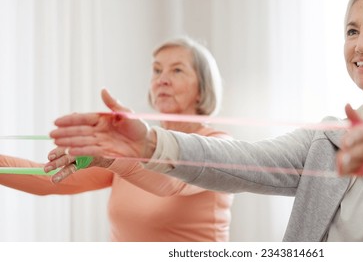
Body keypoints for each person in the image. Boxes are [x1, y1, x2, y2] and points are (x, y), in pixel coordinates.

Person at [49, 0, 363, 242]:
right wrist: (149, 141)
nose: (361, 44)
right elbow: (239, 160)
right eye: (352, 31)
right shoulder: (326, 139)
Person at [0, 36, 233, 242]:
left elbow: (172, 182)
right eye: (157, 70)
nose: (162, 79)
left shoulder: (219, 145)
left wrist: (118, 157)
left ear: (203, 87)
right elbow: (48, 177)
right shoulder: (132, 146)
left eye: (177, 70)